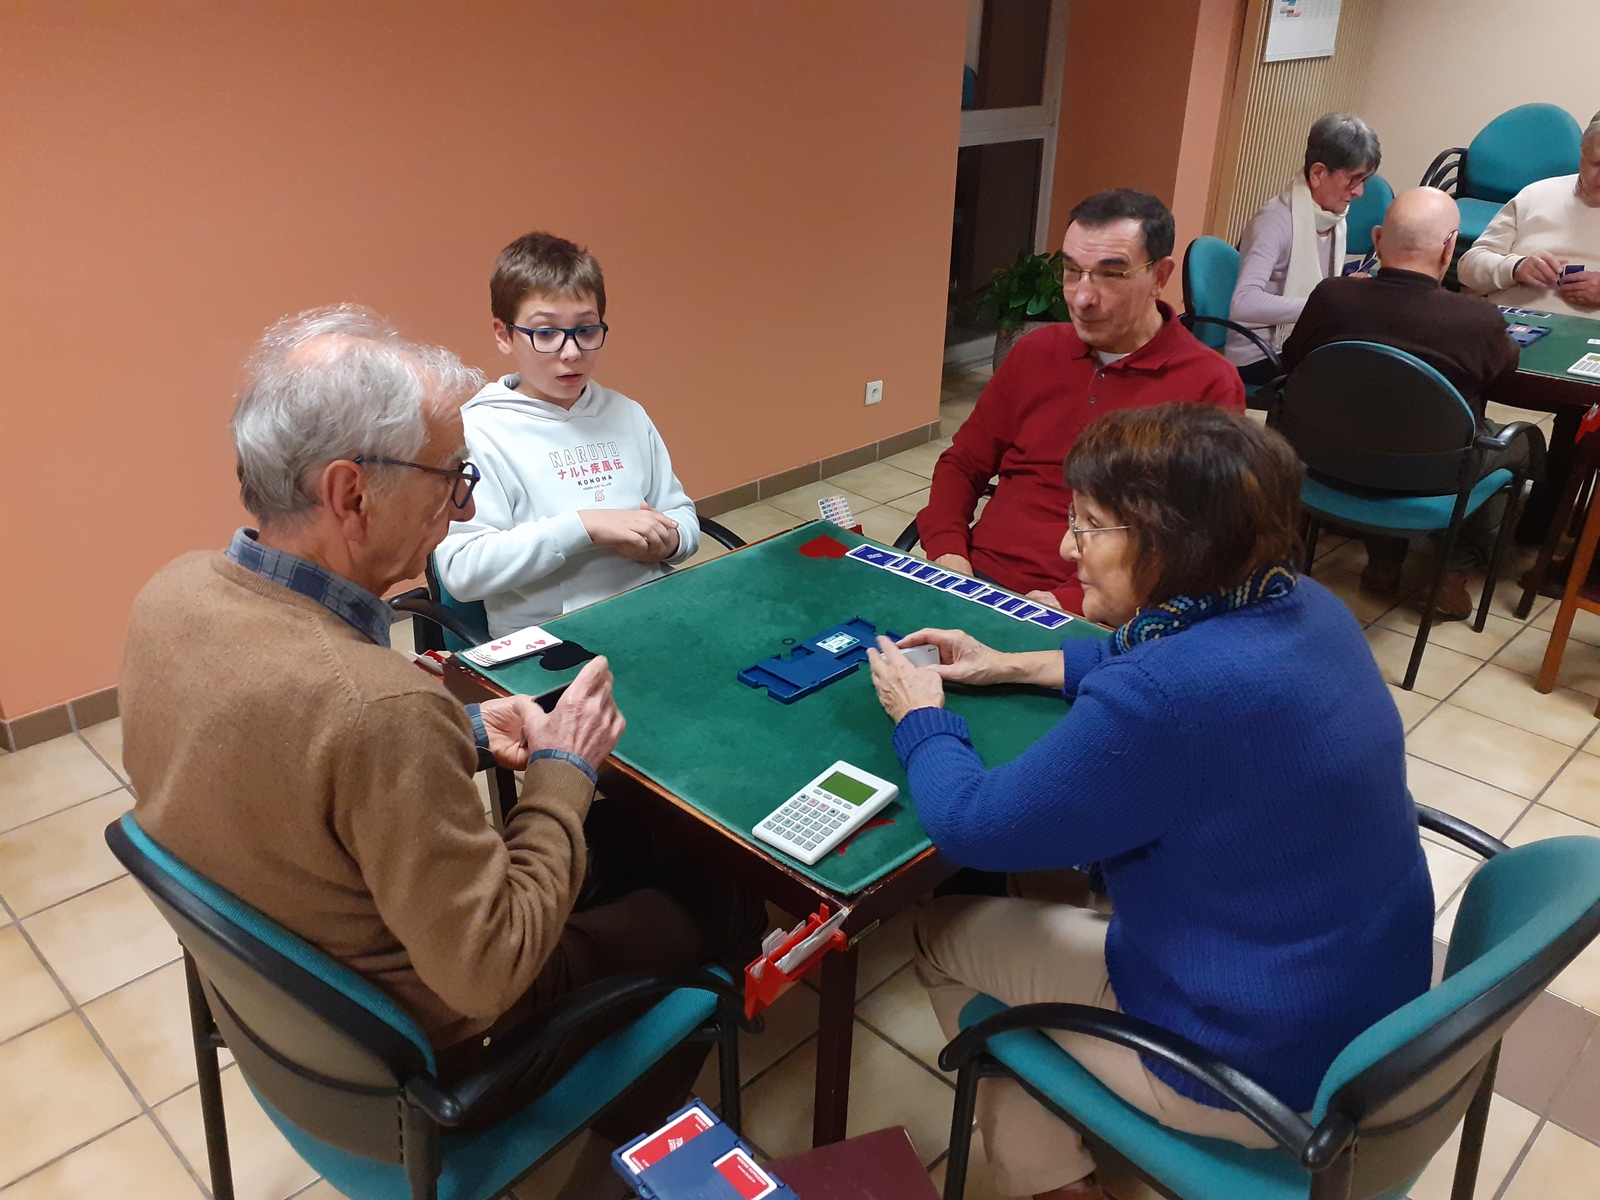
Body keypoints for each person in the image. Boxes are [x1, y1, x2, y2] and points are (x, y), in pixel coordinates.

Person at [120, 307, 762, 1199]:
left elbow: (290, 747)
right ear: (351, 495)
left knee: (613, 864)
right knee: (715, 901)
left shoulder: (171, 594)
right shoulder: (378, 707)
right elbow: (490, 971)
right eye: (451, 478)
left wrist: (466, 732)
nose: (461, 507)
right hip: (443, 1064)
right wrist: (565, 772)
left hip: (291, 1032)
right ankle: (607, 1153)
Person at [868, 404, 1431, 1200]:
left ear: (1172, 546)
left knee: (941, 932)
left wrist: (919, 715)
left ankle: (1053, 1184)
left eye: (1090, 526)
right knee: (1050, 893)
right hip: (1375, 1025)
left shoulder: (1163, 698)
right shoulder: (1305, 603)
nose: (1067, 548)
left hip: (1252, 1072)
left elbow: (971, 824)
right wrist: (1013, 664)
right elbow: (1151, 651)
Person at [917, 189, 1245, 614]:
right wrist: (948, 552)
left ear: (1160, 276)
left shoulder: (1209, 383)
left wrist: (1069, 602)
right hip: (976, 579)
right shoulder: (1036, 352)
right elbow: (963, 463)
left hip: (1099, 610)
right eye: (1072, 271)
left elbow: (1194, 538)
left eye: (1111, 274)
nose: (1082, 298)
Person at [1282, 186, 1536, 618]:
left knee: (1385, 423)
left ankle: (1384, 562)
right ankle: (1452, 572)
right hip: (1433, 476)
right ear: (1449, 249)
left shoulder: (1330, 297)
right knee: (1517, 445)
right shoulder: (1476, 320)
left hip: (1328, 458)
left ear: (1378, 239)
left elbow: (1293, 359)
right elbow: (1504, 371)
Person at [435, 232, 701, 637]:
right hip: (548, 639)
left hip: (650, 613)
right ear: (504, 335)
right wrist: (584, 527)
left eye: (586, 330)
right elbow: (463, 570)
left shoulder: (626, 414)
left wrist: (669, 541)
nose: (572, 352)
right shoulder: (477, 432)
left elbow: (681, 515)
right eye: (545, 333)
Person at [1227, 113, 1382, 384]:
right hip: (1261, 355)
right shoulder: (1275, 221)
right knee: (1359, 379)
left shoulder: (1333, 217)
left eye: (1364, 180)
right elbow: (1243, 303)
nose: (1359, 192)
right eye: (1353, 180)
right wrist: (1324, 304)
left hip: (1298, 342)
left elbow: (1316, 286)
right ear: (1318, 173)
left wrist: (1343, 288)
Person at [1459, 110, 1600, 318]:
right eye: (1596, 164)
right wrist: (1515, 267)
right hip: (1506, 324)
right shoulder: (1536, 195)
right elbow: (1469, 267)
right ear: (1582, 156)